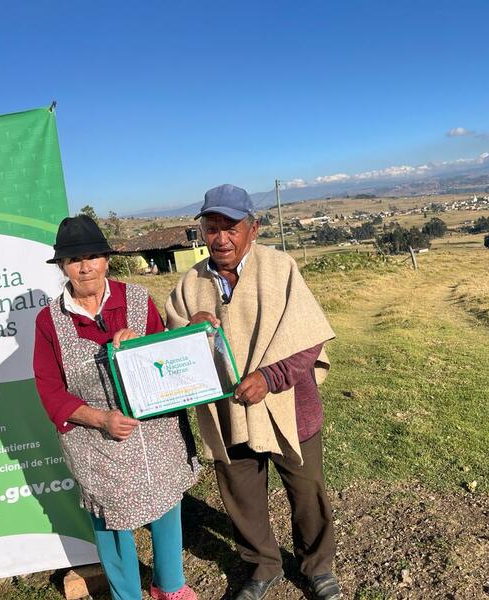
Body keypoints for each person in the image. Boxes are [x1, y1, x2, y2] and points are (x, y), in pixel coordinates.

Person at [165, 185, 341, 600]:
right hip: (227, 413)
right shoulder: (191, 284)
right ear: (202, 233)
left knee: (307, 490)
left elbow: (307, 339)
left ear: (254, 228)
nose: (221, 238)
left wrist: (270, 377)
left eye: (232, 227)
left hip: (288, 409)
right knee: (241, 496)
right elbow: (171, 347)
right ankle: (262, 567)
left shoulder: (280, 269)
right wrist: (191, 331)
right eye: (212, 228)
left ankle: (317, 566)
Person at [33, 215, 200, 600]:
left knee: (166, 502)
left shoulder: (137, 300)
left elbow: (169, 363)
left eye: (93, 256)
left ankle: (169, 585)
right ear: (63, 267)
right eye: (75, 260)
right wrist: (100, 419)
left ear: (107, 259)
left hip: (153, 430)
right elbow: (50, 390)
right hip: (96, 440)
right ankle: (128, 595)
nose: (85, 266)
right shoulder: (49, 322)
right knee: (111, 521)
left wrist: (141, 345)